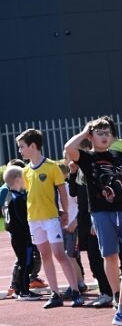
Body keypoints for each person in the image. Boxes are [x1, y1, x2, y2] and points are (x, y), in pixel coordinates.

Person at [65, 119, 122, 326]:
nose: (104, 136)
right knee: (110, 254)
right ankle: (117, 295)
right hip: (102, 212)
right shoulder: (86, 157)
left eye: (107, 132)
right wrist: (85, 131)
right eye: (99, 133)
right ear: (91, 136)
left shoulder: (118, 155)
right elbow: (69, 148)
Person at [16, 128, 84, 309]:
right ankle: (55, 293)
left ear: (33, 146)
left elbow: (62, 191)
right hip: (34, 219)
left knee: (60, 255)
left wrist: (65, 212)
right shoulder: (25, 171)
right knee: (45, 255)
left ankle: (76, 290)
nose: (20, 150)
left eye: (22, 147)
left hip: (51, 218)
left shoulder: (52, 166)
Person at [68, 140, 113, 308]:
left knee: (101, 257)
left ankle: (111, 292)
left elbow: (96, 198)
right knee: (93, 259)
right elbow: (73, 193)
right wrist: (72, 173)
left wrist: (95, 222)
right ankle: (106, 292)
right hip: (85, 221)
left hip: (97, 218)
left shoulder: (93, 171)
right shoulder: (79, 172)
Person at [2, 166, 39, 301]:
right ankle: (23, 290)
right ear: (18, 180)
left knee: (23, 261)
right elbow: (23, 218)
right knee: (26, 262)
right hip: (21, 235)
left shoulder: (9, 197)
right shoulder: (17, 198)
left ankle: (19, 288)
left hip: (16, 235)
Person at [58, 161, 86, 297]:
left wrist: (75, 221)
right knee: (68, 257)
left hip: (72, 227)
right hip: (62, 227)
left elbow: (80, 205)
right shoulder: (55, 189)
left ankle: (76, 284)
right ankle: (79, 283)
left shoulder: (69, 188)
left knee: (71, 257)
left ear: (64, 174)